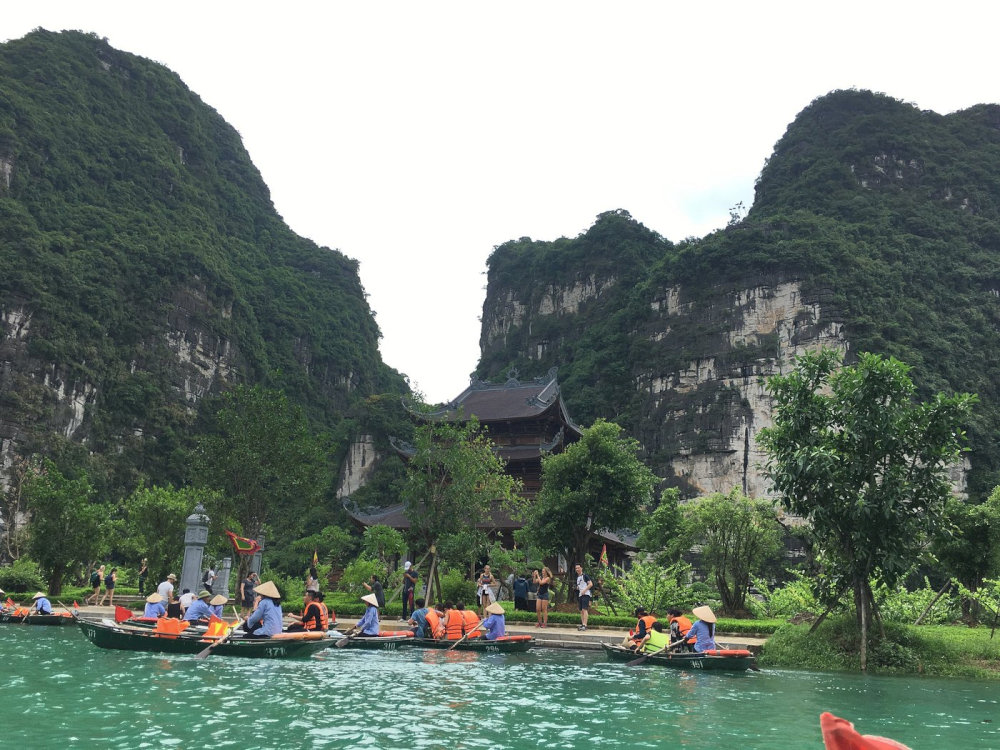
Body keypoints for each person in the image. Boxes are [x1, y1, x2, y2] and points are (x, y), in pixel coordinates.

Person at [575, 563, 594, 631]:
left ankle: (585, 625)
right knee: (581, 610)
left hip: (586, 594)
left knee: (584, 609)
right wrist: (577, 588)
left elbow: (591, 584)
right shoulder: (578, 578)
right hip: (580, 594)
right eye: (576, 568)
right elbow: (579, 585)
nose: (577, 569)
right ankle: (582, 624)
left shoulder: (585, 576)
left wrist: (584, 590)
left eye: (578, 568)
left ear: (581, 568)